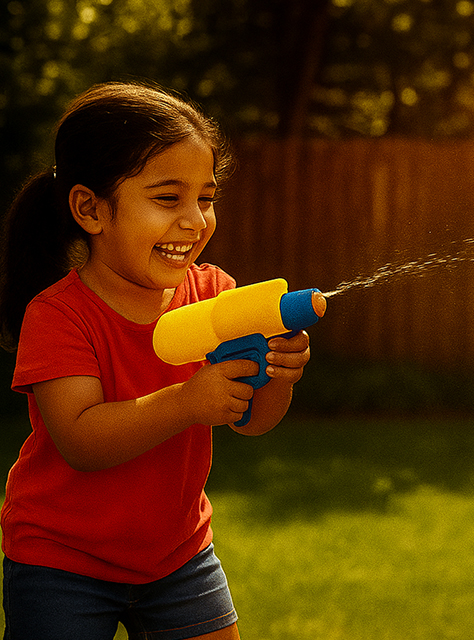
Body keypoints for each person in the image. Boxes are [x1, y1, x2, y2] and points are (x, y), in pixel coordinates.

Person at [0, 82, 311, 639]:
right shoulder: (58, 316)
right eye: (168, 199)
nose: (195, 220)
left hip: (179, 554)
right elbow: (81, 441)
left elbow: (254, 421)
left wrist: (279, 377)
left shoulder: (218, 294)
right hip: (61, 560)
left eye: (207, 198)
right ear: (90, 209)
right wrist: (188, 401)